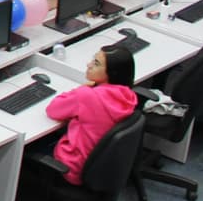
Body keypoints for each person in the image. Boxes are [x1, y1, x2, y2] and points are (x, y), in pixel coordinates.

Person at [44, 46, 139, 185]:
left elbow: (53, 110)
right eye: (93, 59)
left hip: (73, 167)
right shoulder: (127, 96)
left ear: (111, 73)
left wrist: (84, 88)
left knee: (32, 147)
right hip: (101, 167)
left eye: (96, 64)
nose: (88, 65)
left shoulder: (87, 96)